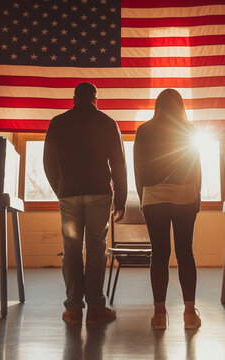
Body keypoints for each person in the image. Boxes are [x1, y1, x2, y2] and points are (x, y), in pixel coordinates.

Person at [43, 82, 127, 325]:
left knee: (71, 248)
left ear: (74, 99)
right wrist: (120, 200)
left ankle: (73, 309)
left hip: (69, 194)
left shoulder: (58, 122)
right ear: (95, 100)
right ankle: (96, 307)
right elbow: (119, 164)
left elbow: (48, 161)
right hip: (99, 194)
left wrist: (60, 190)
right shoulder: (107, 122)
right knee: (96, 248)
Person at [133, 89, 202, 330]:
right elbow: (196, 166)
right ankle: (190, 313)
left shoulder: (144, 130)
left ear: (157, 106)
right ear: (180, 106)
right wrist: (198, 196)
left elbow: (138, 169)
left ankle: (160, 314)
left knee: (159, 254)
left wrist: (143, 197)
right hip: (185, 194)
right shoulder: (189, 130)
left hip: (153, 196)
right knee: (185, 253)